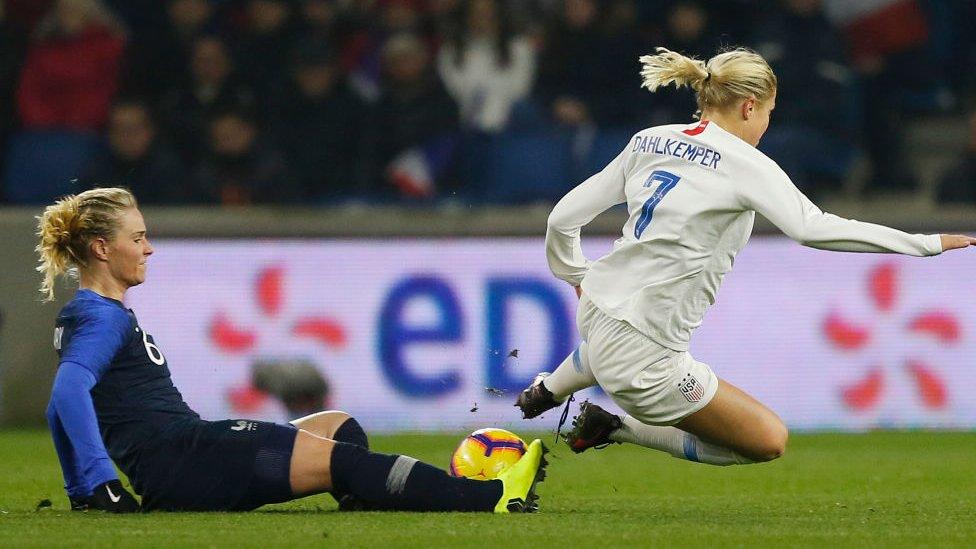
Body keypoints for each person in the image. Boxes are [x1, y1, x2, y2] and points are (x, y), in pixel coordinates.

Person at [514, 47, 976, 467]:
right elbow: (812, 228)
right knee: (766, 440)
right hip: (646, 354)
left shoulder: (649, 140)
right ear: (750, 106)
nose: (766, 125)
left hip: (596, 309)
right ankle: (617, 427)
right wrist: (924, 243)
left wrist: (573, 272)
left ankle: (548, 388)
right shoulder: (746, 164)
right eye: (769, 113)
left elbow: (561, 219)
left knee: (619, 337)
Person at [37, 187, 546, 513]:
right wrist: (102, 482)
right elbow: (67, 392)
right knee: (343, 460)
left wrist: (80, 489)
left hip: (186, 456)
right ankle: (490, 496)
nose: (148, 248)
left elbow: (60, 403)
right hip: (187, 459)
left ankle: (372, 500)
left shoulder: (100, 314)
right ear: (102, 249)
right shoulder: (99, 316)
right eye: (139, 237)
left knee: (338, 427)